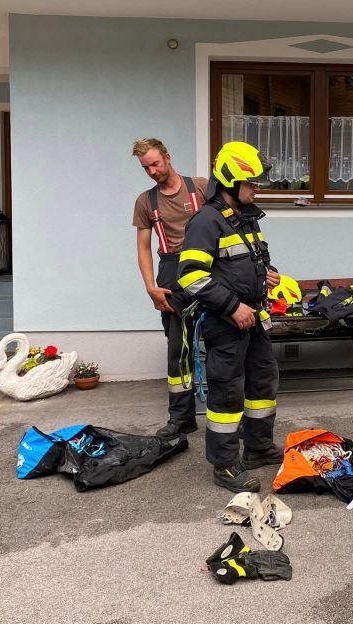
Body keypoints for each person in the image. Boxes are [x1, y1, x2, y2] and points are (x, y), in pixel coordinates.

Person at [176, 141, 282, 493]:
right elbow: (190, 275)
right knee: (227, 393)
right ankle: (224, 465)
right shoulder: (206, 221)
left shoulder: (245, 217)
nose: (256, 189)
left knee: (262, 383)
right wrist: (232, 307)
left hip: (254, 318)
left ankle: (258, 448)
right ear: (231, 182)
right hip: (226, 321)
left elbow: (250, 260)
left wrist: (268, 274)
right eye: (251, 183)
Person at [131, 138, 208, 440]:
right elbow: (143, 247)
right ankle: (181, 418)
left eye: (155, 164)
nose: (152, 171)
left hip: (208, 267)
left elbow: (229, 224)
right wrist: (150, 287)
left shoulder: (200, 187)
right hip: (171, 273)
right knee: (178, 350)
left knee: (221, 345)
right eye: (146, 168)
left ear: (168, 157)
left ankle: (230, 415)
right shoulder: (145, 201)